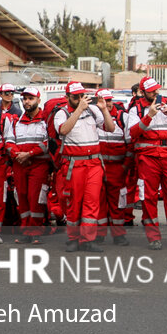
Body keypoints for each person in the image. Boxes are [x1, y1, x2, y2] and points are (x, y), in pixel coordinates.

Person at [126, 77, 167, 250]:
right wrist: (150, 115)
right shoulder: (136, 108)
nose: (155, 93)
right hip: (148, 158)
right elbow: (132, 133)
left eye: (156, 90)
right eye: (151, 91)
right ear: (142, 92)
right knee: (148, 198)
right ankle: (153, 237)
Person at [52, 82, 114, 252]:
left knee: (92, 203)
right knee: (74, 202)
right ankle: (73, 238)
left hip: (94, 163)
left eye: (81, 96)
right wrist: (79, 109)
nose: (80, 99)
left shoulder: (93, 110)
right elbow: (63, 130)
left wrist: (104, 109)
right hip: (74, 164)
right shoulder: (61, 113)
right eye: (75, 97)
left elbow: (110, 127)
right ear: (67, 98)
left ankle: (88, 239)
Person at [7, 86, 52, 244]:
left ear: (39, 100)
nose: (27, 102)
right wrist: (17, 154)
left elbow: (48, 142)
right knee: (23, 198)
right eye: (25, 99)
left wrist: (30, 154)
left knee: (36, 199)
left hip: (38, 164)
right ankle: (26, 231)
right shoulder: (16, 120)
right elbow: (9, 141)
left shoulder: (45, 120)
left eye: (30, 98)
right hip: (20, 164)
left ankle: (36, 232)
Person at [95, 90, 131, 245]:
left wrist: (124, 166)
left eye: (109, 100)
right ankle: (99, 234)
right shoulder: (93, 118)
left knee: (118, 204)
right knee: (99, 202)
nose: (108, 104)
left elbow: (131, 144)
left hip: (117, 169)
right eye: (104, 100)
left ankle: (119, 235)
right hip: (98, 168)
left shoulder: (123, 117)